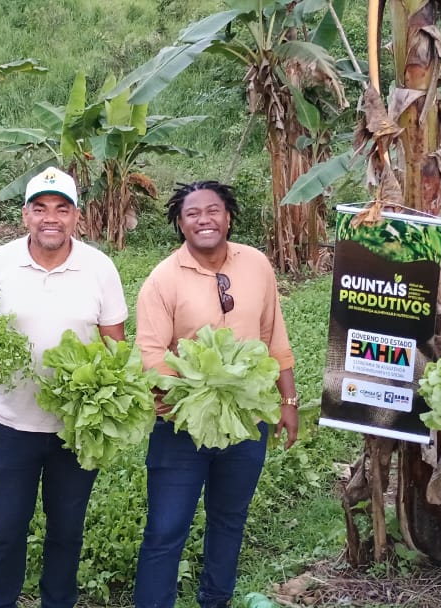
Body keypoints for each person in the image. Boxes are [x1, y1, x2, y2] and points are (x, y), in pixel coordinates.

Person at [133, 180, 300, 608]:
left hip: (247, 423)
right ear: (180, 223)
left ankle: (216, 600)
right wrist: (201, 394)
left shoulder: (257, 264)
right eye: (192, 213)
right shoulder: (162, 279)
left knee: (229, 519)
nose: (204, 220)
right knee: (166, 529)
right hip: (180, 426)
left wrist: (287, 400)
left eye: (213, 211)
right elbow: (151, 353)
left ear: (228, 217)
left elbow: (273, 334)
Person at [0, 167, 128, 608]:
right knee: (6, 528)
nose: (51, 218)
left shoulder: (99, 268)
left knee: (66, 528)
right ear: (25, 214)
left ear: (76, 217)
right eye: (40, 208)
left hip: (75, 431)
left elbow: (115, 346)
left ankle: (57, 602)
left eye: (62, 209)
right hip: (11, 423)